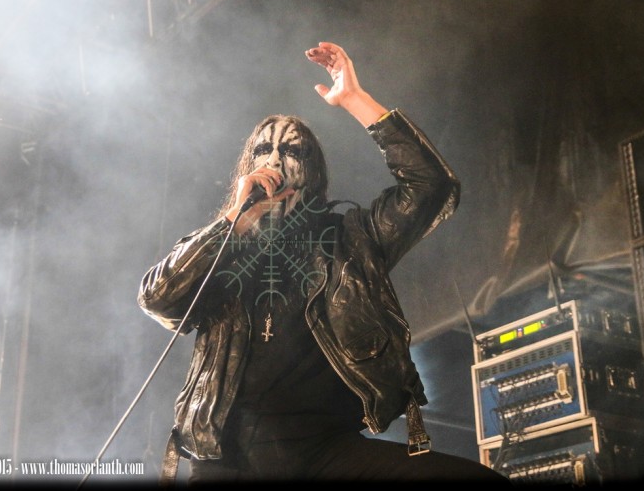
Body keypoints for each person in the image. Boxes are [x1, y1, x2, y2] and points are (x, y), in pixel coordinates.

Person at [137, 41, 510, 484]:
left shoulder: (351, 238)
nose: (274, 160)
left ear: (312, 173)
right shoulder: (221, 248)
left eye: (292, 151)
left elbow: (432, 187)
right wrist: (232, 223)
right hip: (227, 459)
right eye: (263, 150)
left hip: (322, 451)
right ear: (246, 168)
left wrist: (354, 99)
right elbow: (159, 299)